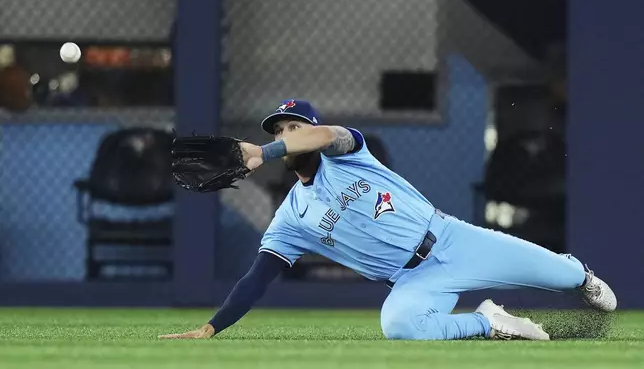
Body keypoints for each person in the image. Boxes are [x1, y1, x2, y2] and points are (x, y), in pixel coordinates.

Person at [159, 99, 616, 341]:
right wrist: (211, 327)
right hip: (411, 280)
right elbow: (257, 279)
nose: (286, 136)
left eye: (292, 127)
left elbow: (325, 135)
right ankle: (490, 323)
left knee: (567, 276)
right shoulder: (291, 218)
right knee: (400, 326)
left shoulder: (349, 153)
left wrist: (265, 149)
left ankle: (578, 272)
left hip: (454, 240)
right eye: (278, 131)